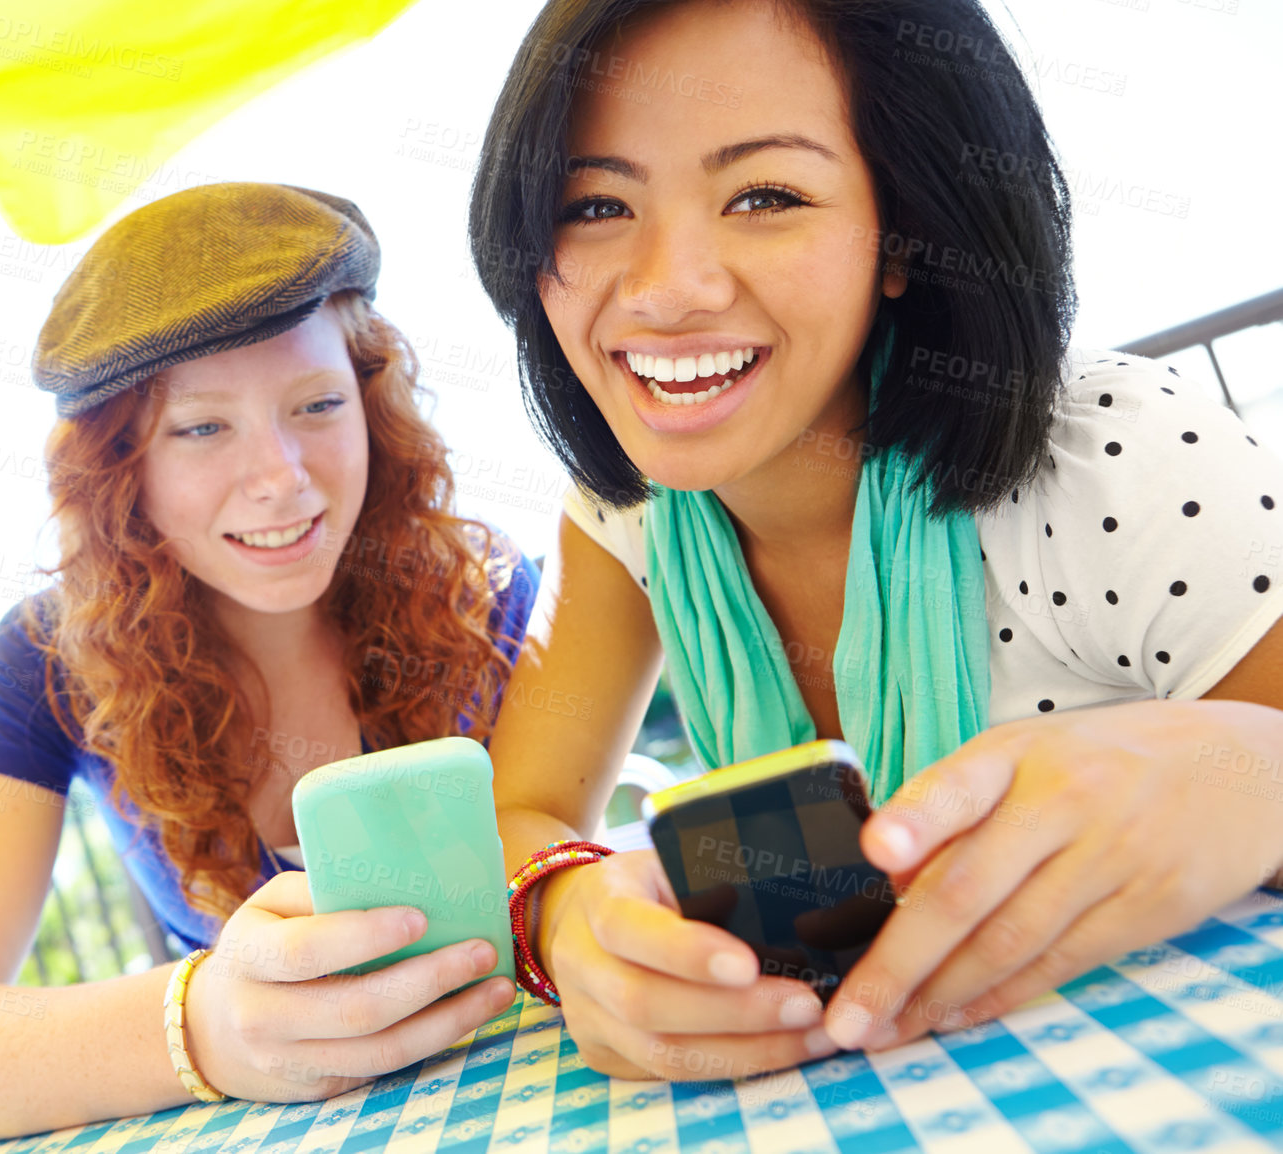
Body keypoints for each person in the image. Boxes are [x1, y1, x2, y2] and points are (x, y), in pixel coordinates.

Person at [469, 0, 1283, 1083]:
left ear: (903, 236)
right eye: (596, 203)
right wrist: (571, 918)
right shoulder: (626, 516)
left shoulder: (1115, 457)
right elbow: (518, 813)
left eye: (765, 195)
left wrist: (1254, 776)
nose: (667, 288)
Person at [0, 183, 530, 1149]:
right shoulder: (46, 659)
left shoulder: (486, 591)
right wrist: (203, 1025)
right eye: (202, 427)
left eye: (319, 404)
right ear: (121, 470)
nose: (282, 473)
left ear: (372, 407)